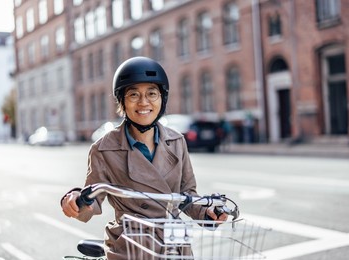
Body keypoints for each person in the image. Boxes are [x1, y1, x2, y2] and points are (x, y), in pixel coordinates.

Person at [60, 56, 228, 259]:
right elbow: (92, 198)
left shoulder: (176, 141)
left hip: (174, 245)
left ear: (162, 98)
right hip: (130, 246)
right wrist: (76, 200)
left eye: (152, 94)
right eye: (133, 95)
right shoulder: (103, 148)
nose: (143, 102)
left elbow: (186, 195)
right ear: (122, 101)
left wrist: (206, 213)